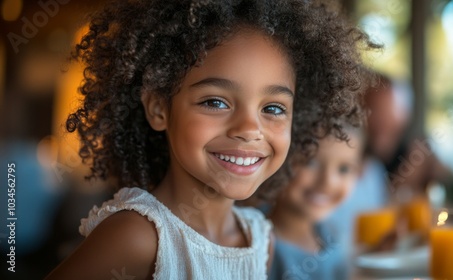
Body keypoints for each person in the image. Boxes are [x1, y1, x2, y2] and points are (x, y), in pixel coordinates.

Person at [45, 0, 375, 279]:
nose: (249, 129)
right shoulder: (138, 237)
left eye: (273, 108)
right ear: (158, 108)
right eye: (215, 102)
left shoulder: (260, 239)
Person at [266, 126, 364, 280]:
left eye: (344, 169)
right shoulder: (264, 250)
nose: (328, 182)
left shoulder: (328, 234)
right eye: (310, 163)